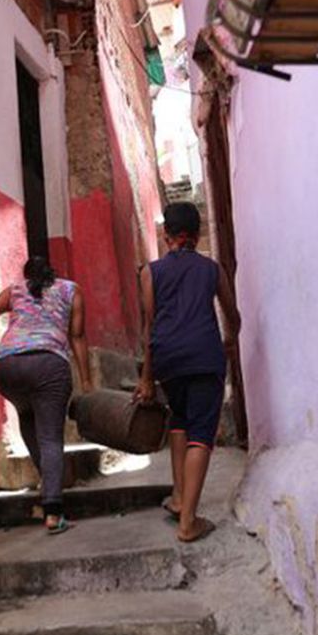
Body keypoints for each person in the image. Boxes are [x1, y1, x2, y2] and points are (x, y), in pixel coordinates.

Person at [0, 256, 93, 534]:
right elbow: (77, 336)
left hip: (7, 367)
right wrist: (87, 381)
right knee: (50, 437)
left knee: (27, 415)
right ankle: (54, 513)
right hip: (48, 366)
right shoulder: (71, 290)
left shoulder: (16, 290)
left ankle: (49, 487)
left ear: (28, 276)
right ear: (52, 273)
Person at [133, 202, 240, 543]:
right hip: (203, 356)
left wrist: (147, 377)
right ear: (197, 234)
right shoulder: (212, 269)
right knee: (201, 435)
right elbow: (233, 316)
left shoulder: (149, 272)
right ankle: (189, 522)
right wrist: (228, 341)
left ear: (167, 237)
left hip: (167, 360)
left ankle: (180, 499)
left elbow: (149, 328)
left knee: (178, 420)